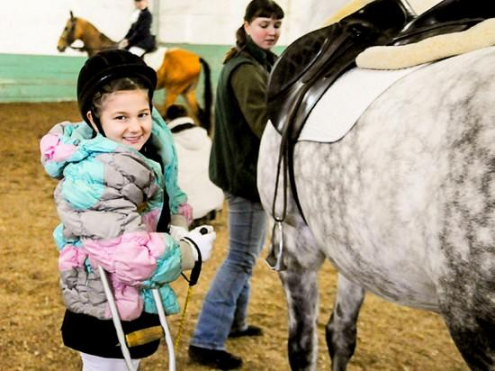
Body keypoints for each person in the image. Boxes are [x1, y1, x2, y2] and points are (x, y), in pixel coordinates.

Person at [39, 49, 216, 371]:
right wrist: (188, 251)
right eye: (120, 117)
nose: (135, 127)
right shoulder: (94, 174)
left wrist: (177, 221)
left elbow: (168, 189)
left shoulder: (145, 153)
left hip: (132, 303)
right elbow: (130, 257)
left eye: (143, 114)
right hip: (102, 309)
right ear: (94, 119)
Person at [188, 0, 284, 369]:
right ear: (247, 26)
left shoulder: (262, 62)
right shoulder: (246, 69)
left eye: (276, 24)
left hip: (245, 173)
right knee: (241, 258)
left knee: (245, 255)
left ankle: (236, 323)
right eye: (264, 24)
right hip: (244, 176)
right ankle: (205, 341)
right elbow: (265, 124)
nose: (271, 31)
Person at [164, 104, 224, 226]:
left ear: (168, 120)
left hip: (184, 208)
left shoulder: (168, 143)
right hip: (213, 201)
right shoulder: (206, 139)